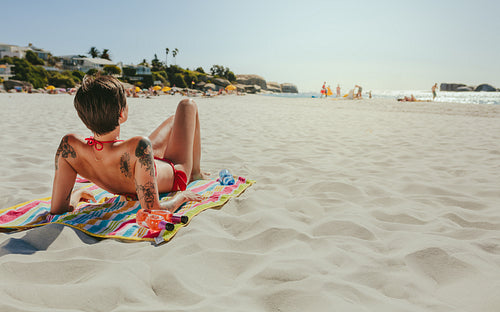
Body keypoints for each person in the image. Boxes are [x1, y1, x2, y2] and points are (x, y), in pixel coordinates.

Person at [50, 75, 204, 215]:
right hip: (174, 172)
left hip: (137, 166)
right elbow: (154, 210)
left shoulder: (69, 147)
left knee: (175, 120)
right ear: (121, 114)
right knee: (187, 105)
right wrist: (182, 197)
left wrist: (76, 194)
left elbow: (58, 210)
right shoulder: (138, 146)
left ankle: (195, 170)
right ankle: (195, 173)